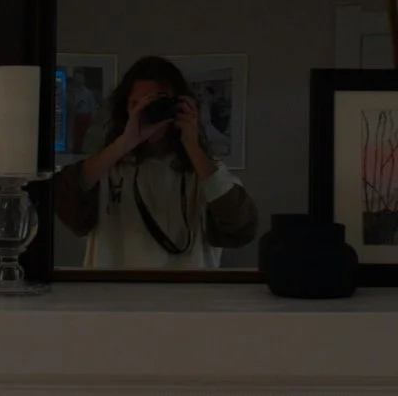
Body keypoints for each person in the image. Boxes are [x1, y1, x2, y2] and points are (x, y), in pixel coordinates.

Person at [55, 55, 257, 270]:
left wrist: (192, 145)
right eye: (136, 103)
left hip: (190, 298)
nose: (146, 110)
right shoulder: (106, 167)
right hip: (114, 295)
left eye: (157, 101)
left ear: (180, 106)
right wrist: (124, 143)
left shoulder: (204, 170)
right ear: (125, 108)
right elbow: (66, 201)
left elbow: (239, 228)